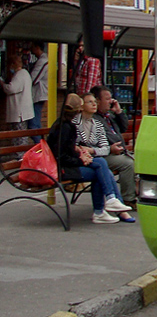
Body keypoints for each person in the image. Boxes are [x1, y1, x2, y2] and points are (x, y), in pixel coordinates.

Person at [49, 93, 133, 224]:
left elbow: (70, 150)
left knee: (101, 166)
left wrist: (83, 154)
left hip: (73, 164)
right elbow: (62, 157)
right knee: (100, 168)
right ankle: (106, 205)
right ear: (79, 109)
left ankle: (108, 204)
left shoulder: (67, 125)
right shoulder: (67, 127)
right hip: (64, 169)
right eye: (89, 102)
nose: (94, 104)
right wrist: (81, 159)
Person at [90, 84, 136, 207]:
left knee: (139, 159)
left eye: (111, 98)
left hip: (115, 151)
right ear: (97, 101)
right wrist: (112, 147)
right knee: (128, 164)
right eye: (107, 99)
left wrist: (119, 112)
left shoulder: (109, 116)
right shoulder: (94, 118)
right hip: (104, 155)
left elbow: (123, 128)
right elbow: (107, 138)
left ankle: (137, 192)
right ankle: (128, 198)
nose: (110, 102)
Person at [2, 51, 35, 153]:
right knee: (19, 136)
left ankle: (21, 157)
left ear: (13, 64)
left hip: (20, 112)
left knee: (19, 137)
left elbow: (11, 89)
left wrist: (3, 84)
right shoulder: (24, 74)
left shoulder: (20, 75)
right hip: (22, 111)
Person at [27, 41, 48, 143]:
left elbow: (33, 78)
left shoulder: (43, 61)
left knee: (33, 124)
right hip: (39, 94)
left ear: (37, 47)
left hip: (39, 94)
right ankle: (42, 146)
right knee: (36, 123)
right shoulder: (42, 60)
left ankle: (41, 147)